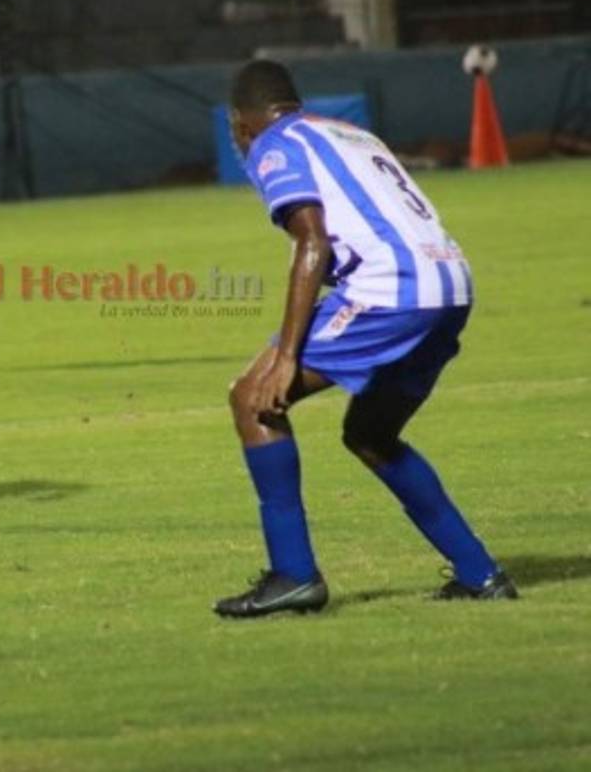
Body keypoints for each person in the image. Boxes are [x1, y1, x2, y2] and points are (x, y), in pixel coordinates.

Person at [215, 59, 516, 619]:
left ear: (241, 122)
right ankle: (481, 574)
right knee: (372, 434)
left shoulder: (274, 143)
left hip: (392, 290)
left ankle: (294, 575)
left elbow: (312, 242)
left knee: (254, 398)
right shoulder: (348, 130)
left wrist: (286, 355)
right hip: (449, 283)